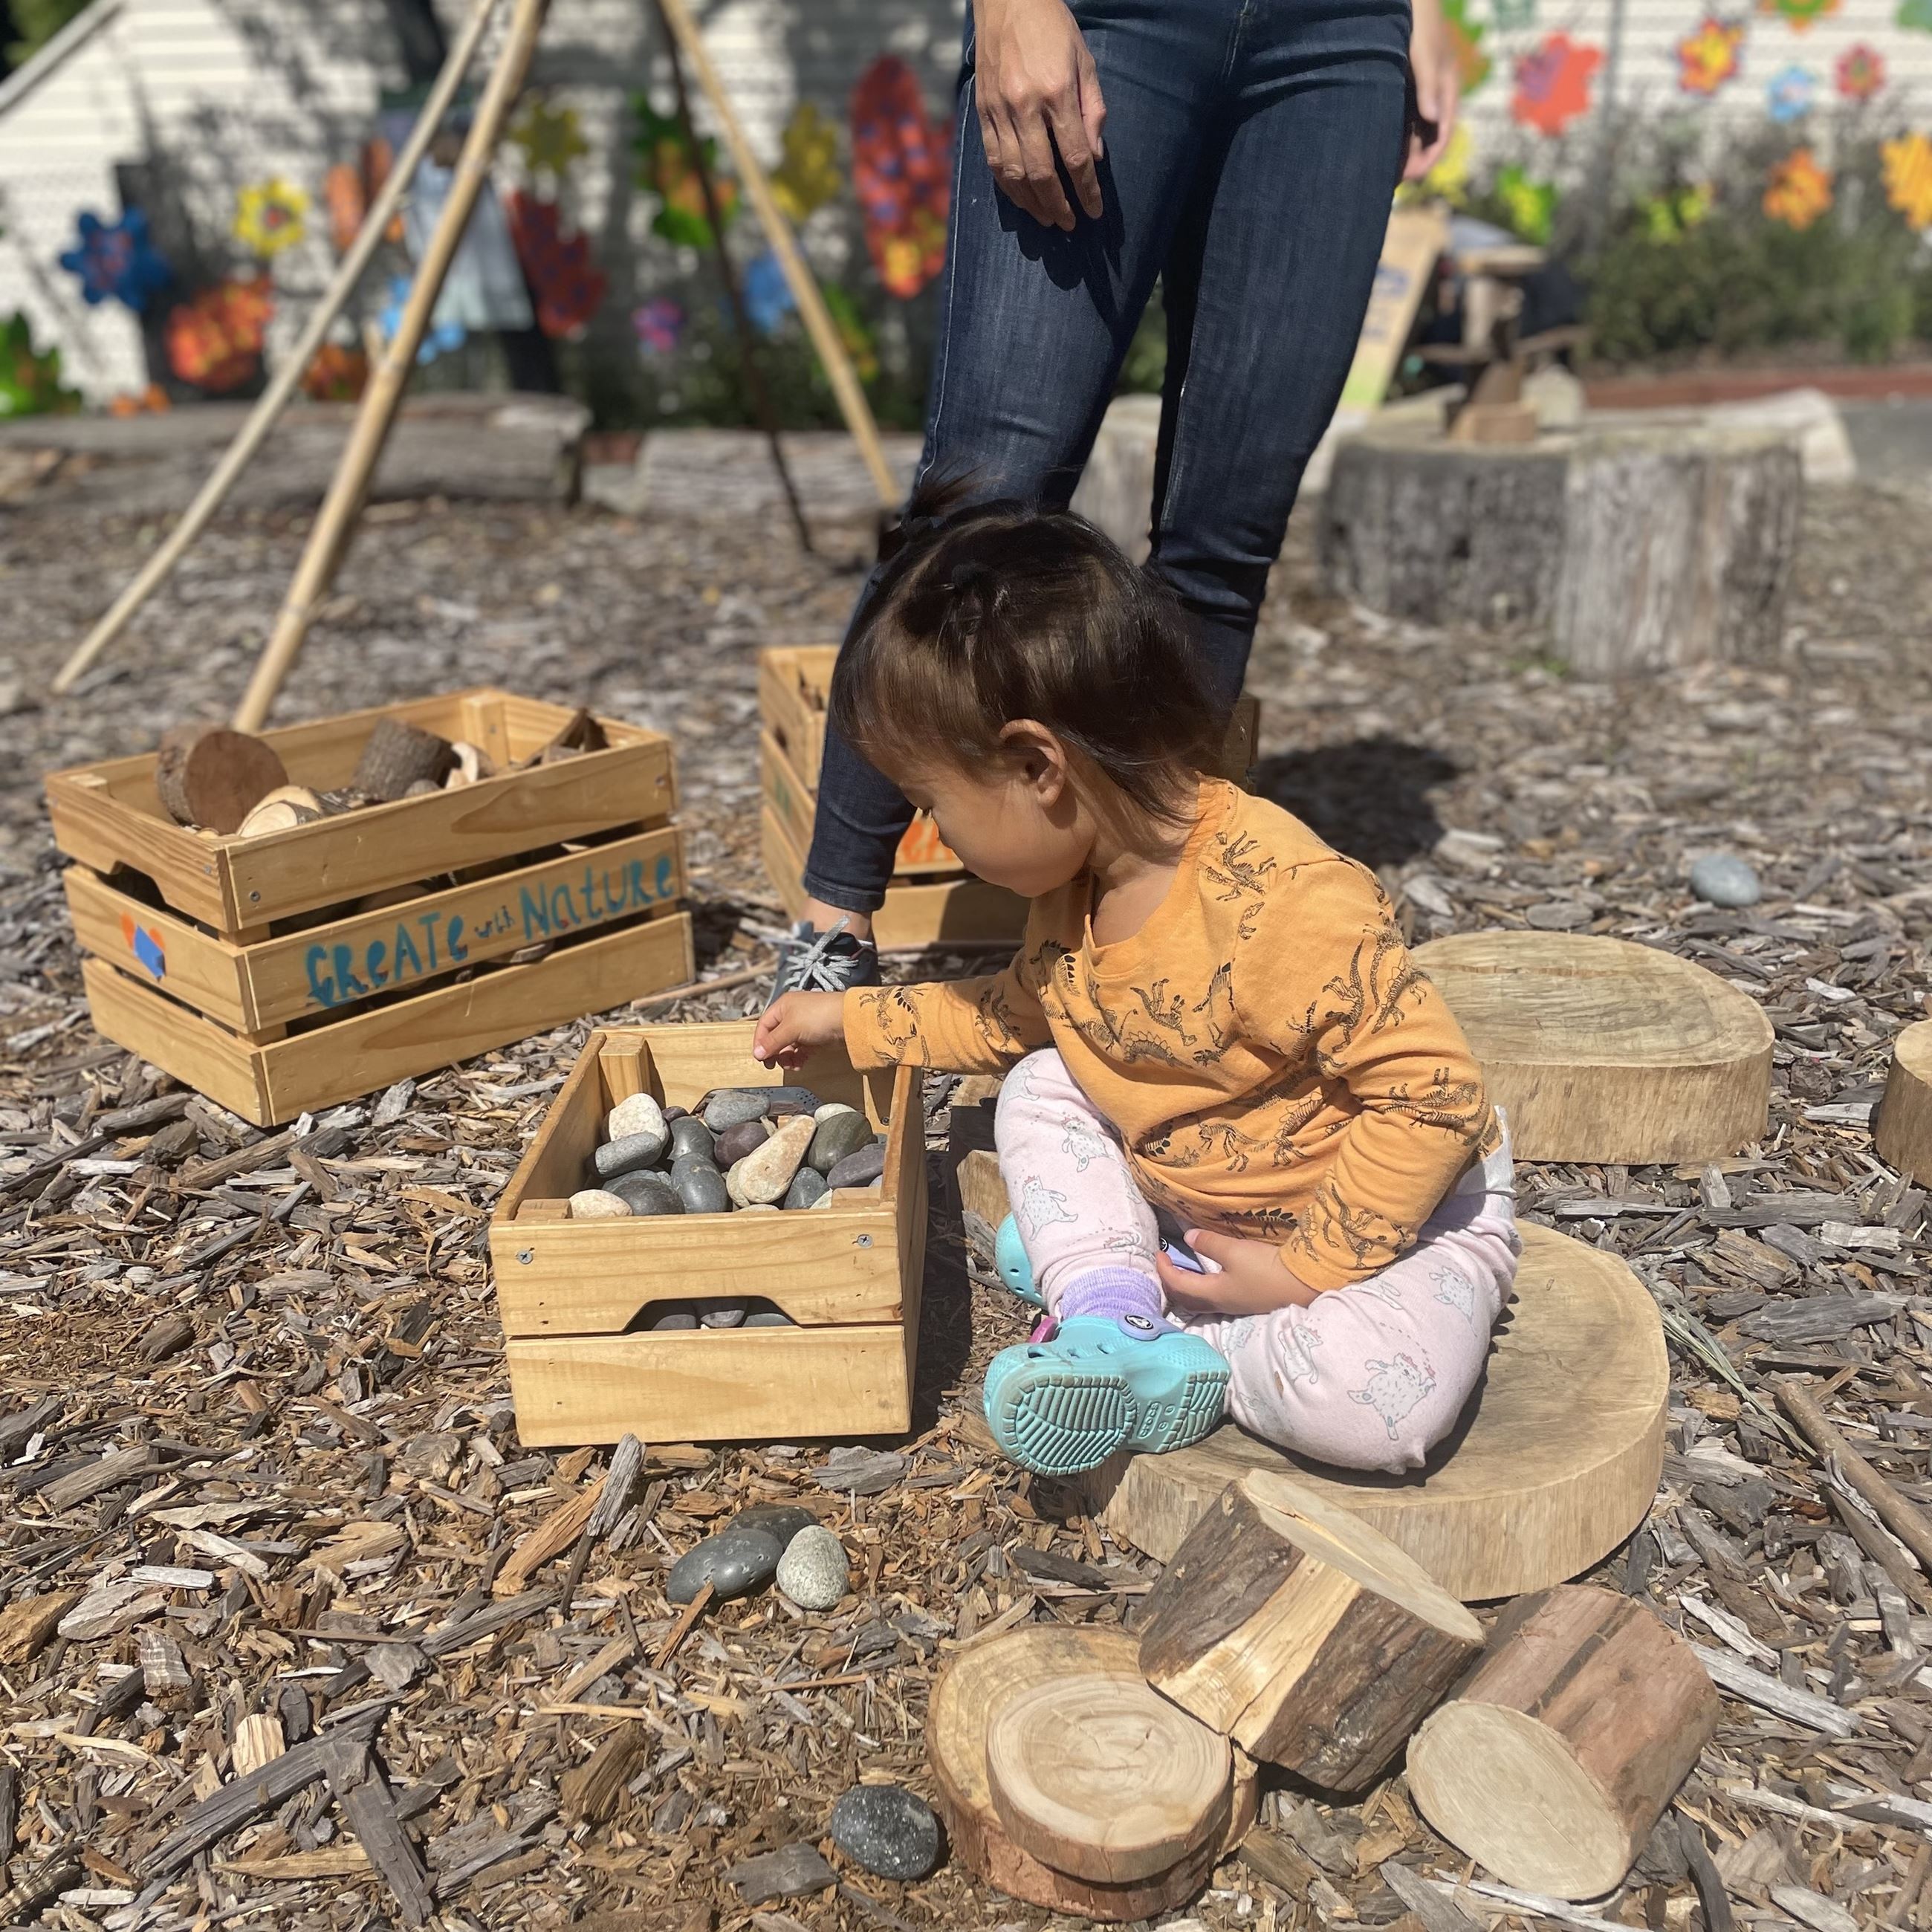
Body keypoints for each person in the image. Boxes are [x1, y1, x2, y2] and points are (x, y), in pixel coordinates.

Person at [755, 495, 1518, 1477]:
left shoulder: (1284, 905)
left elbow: (1433, 1097)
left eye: (935, 804)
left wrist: (1299, 1274)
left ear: (1039, 766)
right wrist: (848, 1018)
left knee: (1372, 1414)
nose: (936, 837)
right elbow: (1010, 1018)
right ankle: (1116, 1305)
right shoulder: (1080, 885)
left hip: (1381, 1219)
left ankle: (1171, 1332)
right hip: (1210, 1188)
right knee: (1040, 1081)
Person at [772, 0, 1459, 999]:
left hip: (1339, 35)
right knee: (978, 506)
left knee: (1230, 528)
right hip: (1114, 20)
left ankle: (1147, 937)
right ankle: (832, 926)